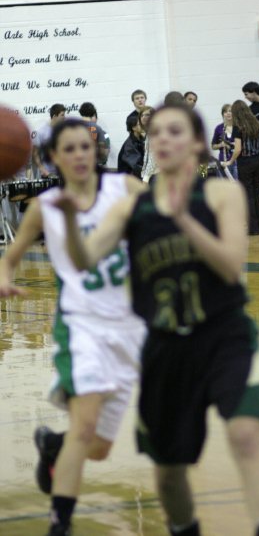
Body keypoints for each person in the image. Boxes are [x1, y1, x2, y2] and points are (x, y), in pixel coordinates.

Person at [56, 104, 259, 536]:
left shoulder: (220, 194)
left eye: (174, 131)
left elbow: (232, 265)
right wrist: (70, 214)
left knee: (245, 436)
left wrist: (182, 219)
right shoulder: (133, 207)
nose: (161, 139)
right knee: (168, 471)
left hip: (225, 335)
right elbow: (84, 260)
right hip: (165, 345)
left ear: (197, 143)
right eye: (155, 132)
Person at [0, 119, 147, 536]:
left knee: (97, 448)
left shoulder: (126, 188)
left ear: (95, 149)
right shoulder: (44, 207)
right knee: (85, 428)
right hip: (80, 326)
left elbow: (161, 225)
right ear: (54, 159)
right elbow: (10, 257)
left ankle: (54, 446)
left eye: (86, 146)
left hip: (128, 328)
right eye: (71, 149)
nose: (81, 154)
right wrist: (4, 275)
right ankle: (59, 525)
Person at [224, 100, 259, 235]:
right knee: (258, 193)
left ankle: (253, 228)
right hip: (258, 161)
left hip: (245, 163)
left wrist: (230, 161)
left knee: (248, 196)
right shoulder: (258, 124)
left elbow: (238, 149)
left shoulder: (238, 127)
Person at [32, 103, 66, 178]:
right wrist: (43, 170)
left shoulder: (62, 131)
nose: (64, 117)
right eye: (62, 115)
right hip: (48, 174)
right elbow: (35, 154)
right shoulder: (41, 132)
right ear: (54, 116)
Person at [78, 101, 110, 166]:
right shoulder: (97, 128)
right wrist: (102, 161)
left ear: (81, 112)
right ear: (93, 112)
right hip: (94, 164)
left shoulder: (74, 127)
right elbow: (102, 149)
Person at [211, 104, 237, 179]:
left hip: (237, 161)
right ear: (223, 115)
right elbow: (213, 146)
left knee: (237, 185)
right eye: (225, 112)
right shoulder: (219, 128)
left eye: (230, 111)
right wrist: (221, 145)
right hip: (224, 161)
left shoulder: (238, 127)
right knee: (226, 186)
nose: (228, 113)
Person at [117, 113, 146, 177]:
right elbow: (137, 167)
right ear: (133, 128)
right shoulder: (129, 145)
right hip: (128, 180)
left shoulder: (141, 139)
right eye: (139, 124)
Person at [139, 106, 157, 183]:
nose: (143, 117)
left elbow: (153, 157)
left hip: (157, 175)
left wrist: (146, 178)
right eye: (142, 115)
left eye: (147, 115)